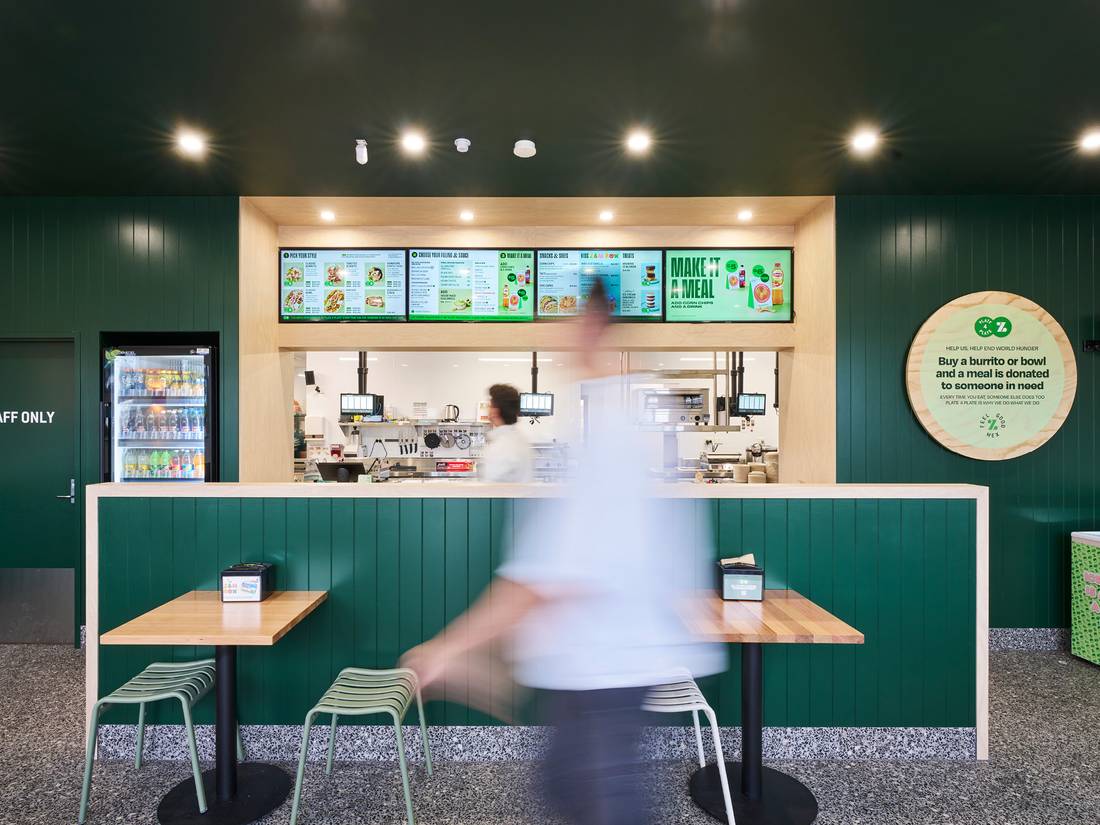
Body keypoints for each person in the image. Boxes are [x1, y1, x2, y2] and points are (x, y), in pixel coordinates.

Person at [402, 280, 723, 825]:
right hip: (600, 660)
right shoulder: (622, 419)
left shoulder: (616, 428)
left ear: (593, 329)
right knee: (566, 784)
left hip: (608, 664)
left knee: (600, 798)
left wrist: (451, 647)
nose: (559, 338)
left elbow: (551, 573)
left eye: (569, 322)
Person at [478, 383, 534, 483]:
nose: (487, 409)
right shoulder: (520, 440)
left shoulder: (500, 447)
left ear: (495, 412)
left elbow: (491, 487)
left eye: (489, 406)